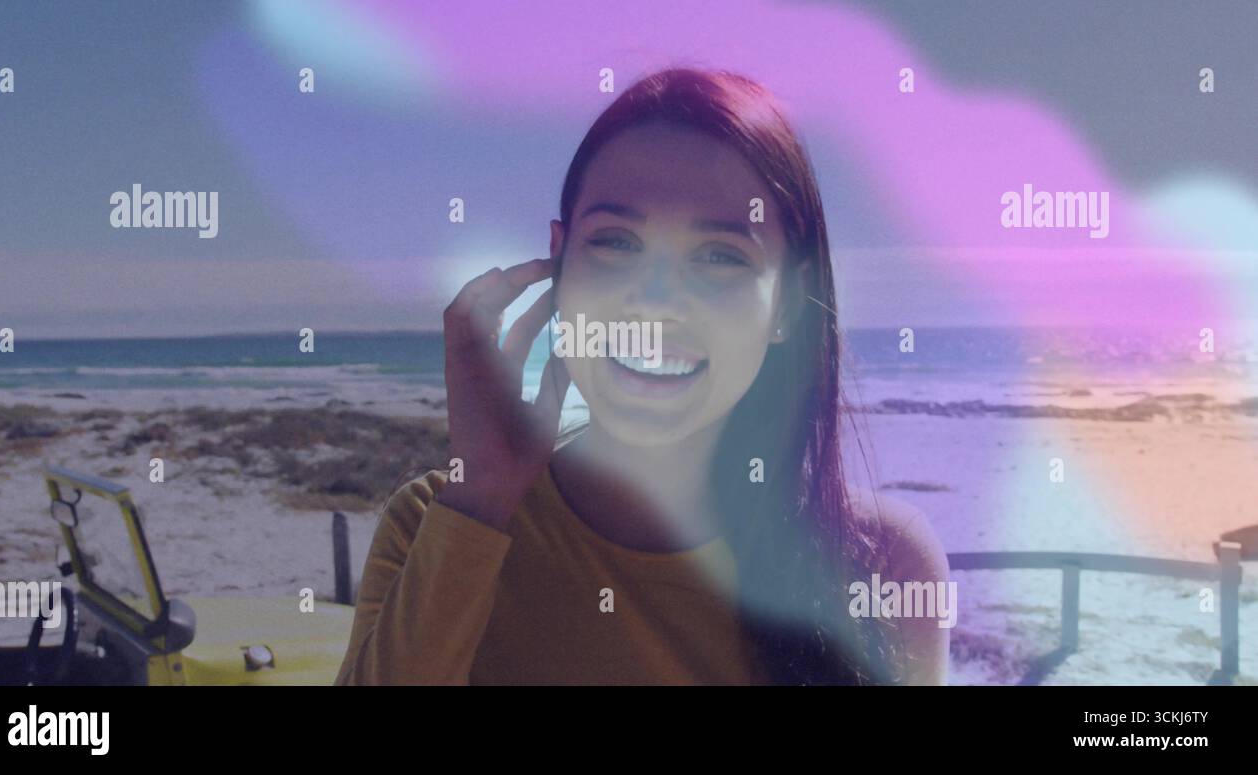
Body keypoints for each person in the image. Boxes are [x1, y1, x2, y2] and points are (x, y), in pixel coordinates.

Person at [336, 66, 950, 685]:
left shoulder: (881, 567)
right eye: (616, 244)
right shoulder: (437, 527)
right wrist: (483, 496)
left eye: (719, 257)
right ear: (559, 259)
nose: (654, 302)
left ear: (789, 302)